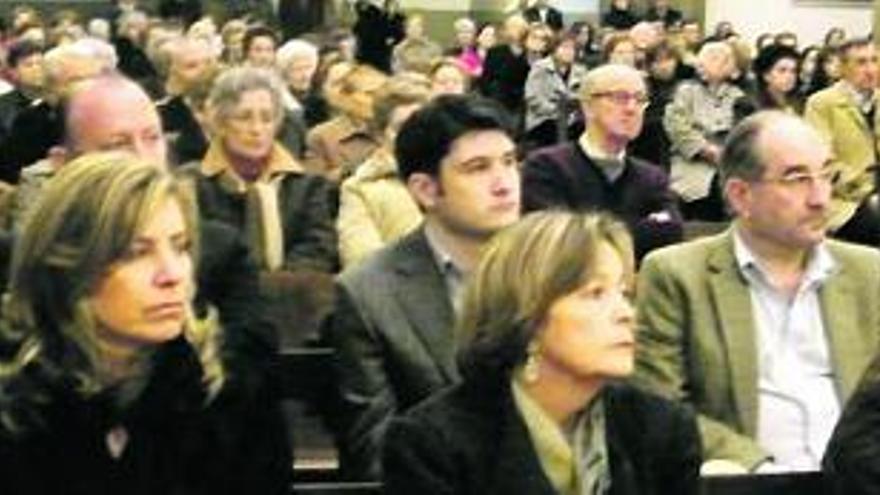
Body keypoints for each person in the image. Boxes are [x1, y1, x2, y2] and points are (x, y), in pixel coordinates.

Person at [0, 152, 290, 494]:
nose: (172, 275)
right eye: (136, 253)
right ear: (69, 265)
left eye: (181, 248)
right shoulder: (15, 400)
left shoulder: (229, 391)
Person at [384, 211, 702, 495]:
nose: (626, 313)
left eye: (624, 293)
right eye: (595, 294)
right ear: (528, 316)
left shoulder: (662, 429)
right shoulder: (432, 444)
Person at [635, 111, 880, 473]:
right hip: (745, 481)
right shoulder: (677, 275)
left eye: (827, 175)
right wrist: (757, 470)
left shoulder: (869, 273)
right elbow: (659, 408)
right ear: (740, 195)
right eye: (797, 179)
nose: (820, 198)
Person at [326, 94, 521, 480]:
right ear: (426, 190)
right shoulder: (369, 293)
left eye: (510, 162)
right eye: (477, 168)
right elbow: (376, 452)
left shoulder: (557, 269)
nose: (504, 184)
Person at [523, 64, 682, 263]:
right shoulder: (546, 167)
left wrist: (590, 229)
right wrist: (640, 227)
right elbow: (559, 243)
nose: (632, 108)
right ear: (588, 106)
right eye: (620, 98)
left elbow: (672, 233)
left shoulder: (652, 177)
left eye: (640, 99)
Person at [337, 73, 429, 267]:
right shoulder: (360, 189)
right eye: (402, 127)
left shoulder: (459, 177)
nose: (415, 135)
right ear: (381, 135)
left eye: (424, 125)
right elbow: (363, 266)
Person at [804, 37, 880, 247]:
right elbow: (821, 160)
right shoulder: (822, 103)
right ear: (843, 68)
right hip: (845, 199)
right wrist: (862, 187)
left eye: (875, 60)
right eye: (861, 62)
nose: (871, 69)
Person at [665, 41, 745, 221]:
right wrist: (705, 149)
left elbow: (744, 132)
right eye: (701, 59)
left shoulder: (739, 96)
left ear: (730, 66)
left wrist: (726, 154)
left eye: (712, 59)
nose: (701, 64)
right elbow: (677, 127)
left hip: (728, 169)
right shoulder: (686, 92)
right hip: (691, 170)